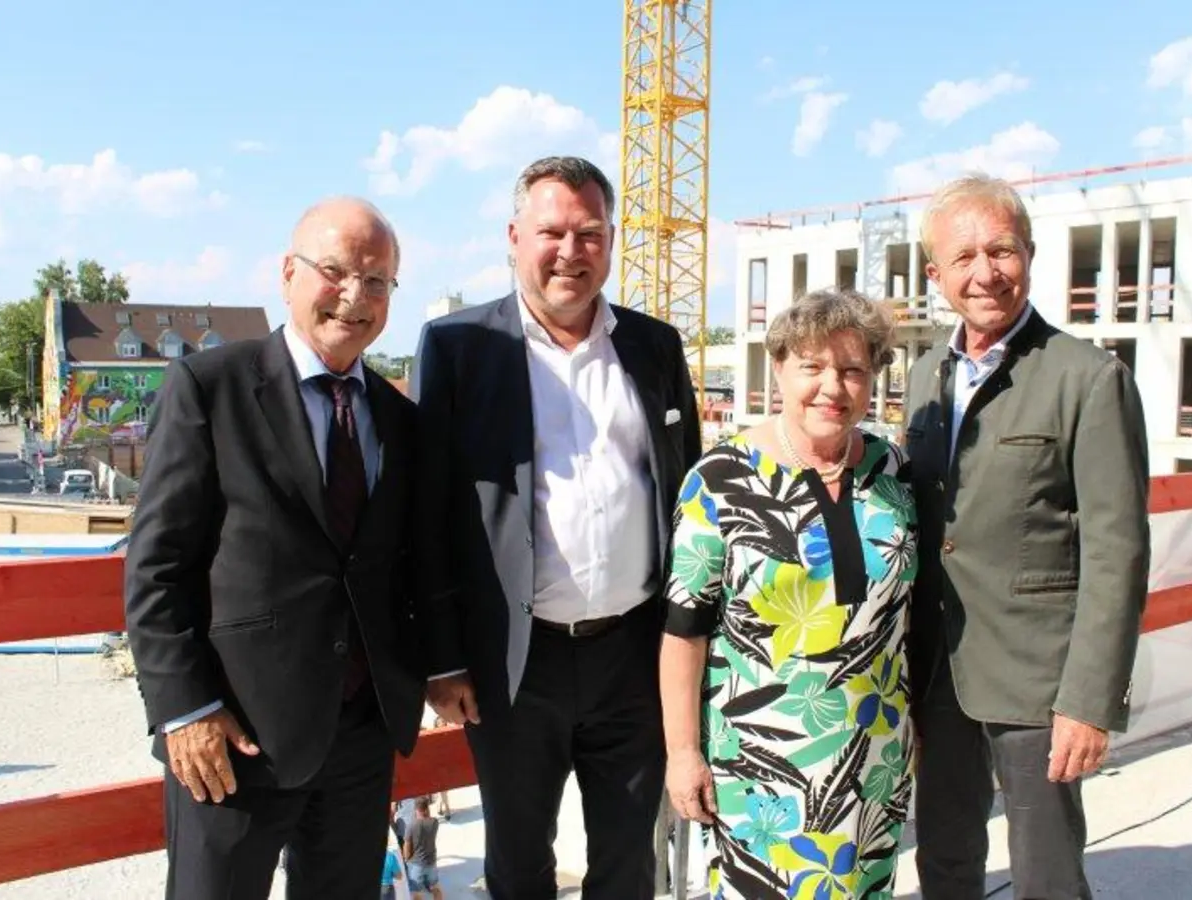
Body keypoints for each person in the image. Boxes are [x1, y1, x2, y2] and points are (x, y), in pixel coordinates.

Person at [411, 154, 703, 899]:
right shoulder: (459, 348)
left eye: (590, 233)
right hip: (514, 665)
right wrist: (442, 659)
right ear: (514, 236)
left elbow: (688, 495)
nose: (571, 251)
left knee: (630, 863)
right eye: (552, 232)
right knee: (517, 865)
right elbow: (430, 512)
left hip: (634, 657)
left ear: (609, 239)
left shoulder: (653, 346)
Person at [124, 196, 427, 899]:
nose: (355, 296)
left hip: (358, 740)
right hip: (233, 738)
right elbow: (157, 566)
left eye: (378, 281)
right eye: (336, 271)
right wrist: (186, 711)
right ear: (288, 273)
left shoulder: (397, 419)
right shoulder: (210, 387)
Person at [904, 173, 1150, 899]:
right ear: (935, 275)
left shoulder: (1088, 378)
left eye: (1002, 250)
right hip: (937, 672)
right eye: (965, 257)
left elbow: (1118, 549)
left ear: (1031, 255)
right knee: (944, 860)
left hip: (1041, 684)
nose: (986, 272)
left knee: (1046, 875)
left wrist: (1088, 700)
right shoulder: (924, 376)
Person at [660, 289, 917, 899]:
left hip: (874, 759)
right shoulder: (720, 480)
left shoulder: (893, 470)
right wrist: (682, 754)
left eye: (853, 369)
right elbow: (683, 633)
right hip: (761, 770)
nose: (834, 386)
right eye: (813, 366)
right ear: (779, 368)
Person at [402, 796, 445, 900]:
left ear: (416, 809)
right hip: (431, 861)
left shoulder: (411, 826)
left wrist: (406, 859)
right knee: (436, 888)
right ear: (427, 808)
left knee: (417, 894)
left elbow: (407, 847)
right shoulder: (435, 822)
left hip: (416, 864)